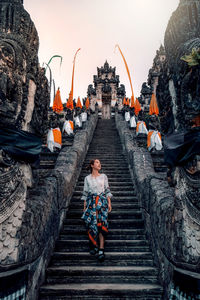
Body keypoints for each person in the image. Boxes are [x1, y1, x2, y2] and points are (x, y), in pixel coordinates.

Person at [81, 159, 112, 262]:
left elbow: (107, 190)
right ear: (92, 165)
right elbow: (85, 193)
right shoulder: (87, 178)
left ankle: (101, 249)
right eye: (97, 162)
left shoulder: (104, 177)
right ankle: (94, 246)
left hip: (102, 203)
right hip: (91, 203)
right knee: (92, 224)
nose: (99, 164)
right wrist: (85, 206)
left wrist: (109, 203)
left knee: (101, 224)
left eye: (99, 162)